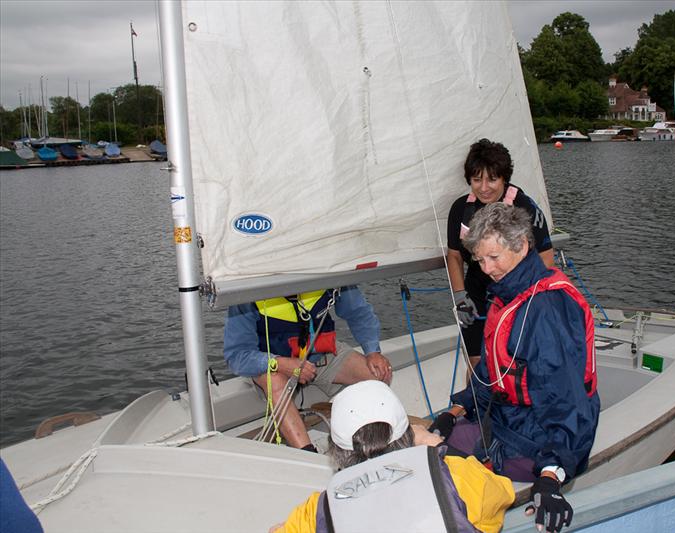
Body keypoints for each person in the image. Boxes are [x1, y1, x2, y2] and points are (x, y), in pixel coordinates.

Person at [432, 203, 600, 533]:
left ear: (522, 245)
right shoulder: (507, 294)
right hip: (507, 420)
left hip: (538, 438)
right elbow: (492, 374)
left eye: (493, 258)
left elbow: (567, 403)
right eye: (480, 260)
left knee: (432, 463)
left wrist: (551, 475)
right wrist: (455, 410)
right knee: (425, 437)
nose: (486, 268)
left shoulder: (546, 311)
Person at [269, 380, 515, 533]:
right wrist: (437, 448)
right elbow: (502, 493)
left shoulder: (320, 508)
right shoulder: (456, 476)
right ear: (408, 434)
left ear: (336, 450)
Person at [224, 286, 393, 451]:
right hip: (275, 364)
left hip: (321, 356)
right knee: (274, 382)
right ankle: (307, 452)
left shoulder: (327, 275)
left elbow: (359, 313)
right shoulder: (247, 292)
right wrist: (279, 363)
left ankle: (376, 443)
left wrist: (372, 350)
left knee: (379, 374)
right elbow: (237, 356)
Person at [447, 138, 554, 367]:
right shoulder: (460, 209)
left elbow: (546, 259)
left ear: (504, 178)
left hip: (516, 296)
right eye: (477, 180)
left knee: (509, 363)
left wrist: (527, 302)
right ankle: (475, 401)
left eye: (492, 179)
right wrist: (460, 297)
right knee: (478, 365)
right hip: (474, 297)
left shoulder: (525, 208)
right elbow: (454, 255)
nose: (484, 188)